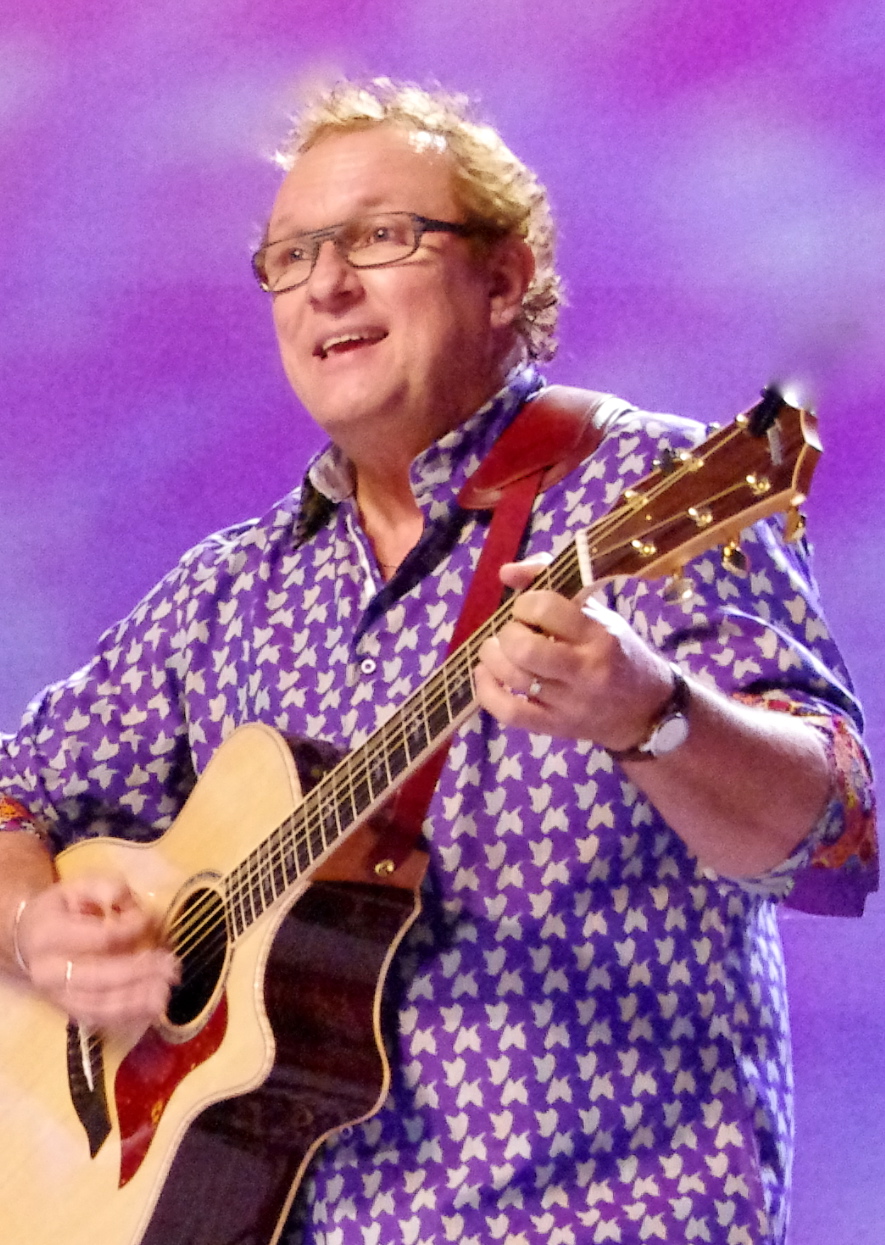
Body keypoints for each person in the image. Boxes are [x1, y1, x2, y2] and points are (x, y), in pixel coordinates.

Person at [0, 78, 876, 1245]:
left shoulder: (652, 491)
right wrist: (33, 925)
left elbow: (839, 839)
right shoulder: (226, 594)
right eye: (291, 255)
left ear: (505, 279)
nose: (326, 282)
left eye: (380, 236)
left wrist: (652, 713)